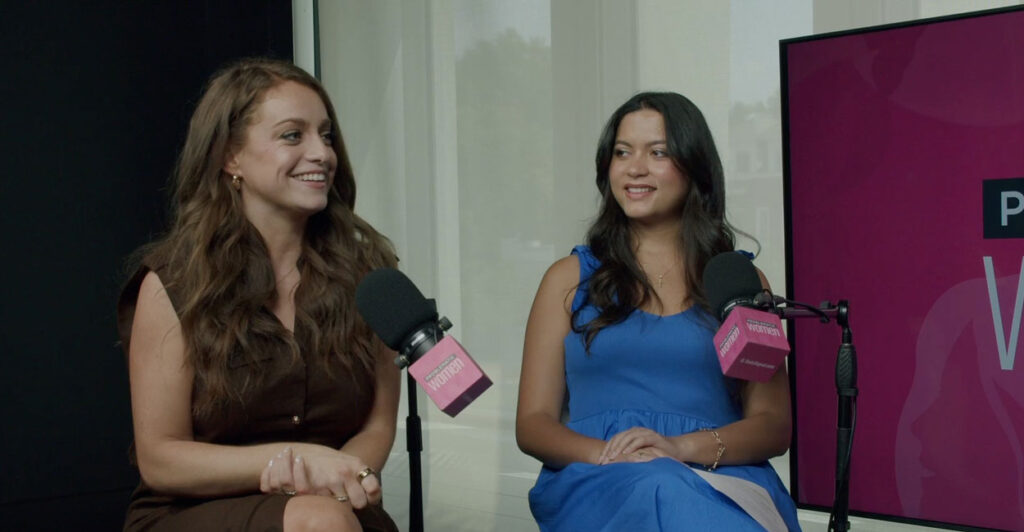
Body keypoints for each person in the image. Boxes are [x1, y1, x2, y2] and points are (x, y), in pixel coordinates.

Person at [117, 58, 400, 531]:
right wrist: (298, 463)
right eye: (294, 135)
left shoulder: (370, 276)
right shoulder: (174, 283)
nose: (322, 154)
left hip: (335, 510)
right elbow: (161, 458)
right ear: (231, 156)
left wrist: (350, 474)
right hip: (194, 513)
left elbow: (377, 424)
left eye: (326, 135)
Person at [516, 92, 800, 531]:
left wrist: (679, 449)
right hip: (600, 479)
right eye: (622, 152)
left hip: (719, 479)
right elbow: (533, 424)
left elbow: (773, 425)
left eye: (658, 152)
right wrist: (611, 455)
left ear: (694, 166)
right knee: (657, 487)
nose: (635, 168)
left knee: (669, 486)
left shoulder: (739, 282)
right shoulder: (567, 279)